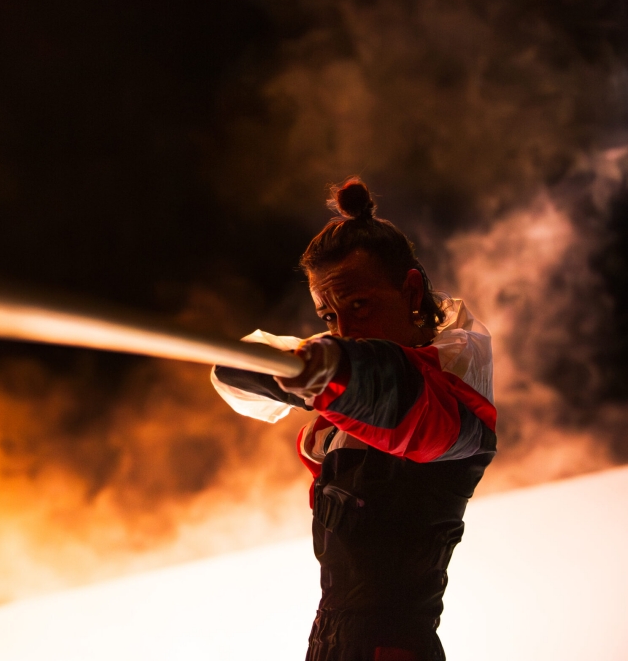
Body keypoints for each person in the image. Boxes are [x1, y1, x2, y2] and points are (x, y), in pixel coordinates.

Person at [211, 179, 497, 661]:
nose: (345, 330)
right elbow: (232, 374)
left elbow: (395, 396)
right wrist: (285, 367)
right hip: (330, 643)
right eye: (328, 316)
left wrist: (330, 370)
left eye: (360, 305)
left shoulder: (453, 393)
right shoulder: (348, 397)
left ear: (410, 291)